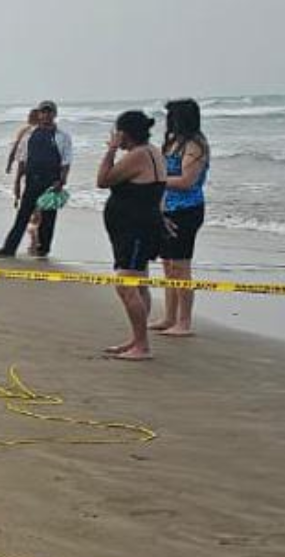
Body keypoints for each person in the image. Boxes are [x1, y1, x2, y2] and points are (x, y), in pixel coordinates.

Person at [97, 111, 168, 362]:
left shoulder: (139, 155)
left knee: (126, 285)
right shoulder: (152, 151)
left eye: (118, 132)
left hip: (136, 229)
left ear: (124, 133)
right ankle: (136, 339)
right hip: (136, 226)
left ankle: (142, 346)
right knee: (138, 283)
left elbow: (103, 180)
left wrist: (111, 150)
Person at [154, 99, 210, 338]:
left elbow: (187, 181)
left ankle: (184, 321)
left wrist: (156, 180)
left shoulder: (195, 145)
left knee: (181, 265)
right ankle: (169, 316)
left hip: (187, 209)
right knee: (167, 265)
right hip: (166, 207)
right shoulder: (172, 143)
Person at [0, 100, 73, 258]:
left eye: (49, 112)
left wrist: (61, 181)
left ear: (54, 114)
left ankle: (43, 250)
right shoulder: (29, 135)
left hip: (51, 182)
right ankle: (9, 249)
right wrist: (17, 181)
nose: (46, 115)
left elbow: (66, 161)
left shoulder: (62, 136)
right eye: (43, 112)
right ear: (39, 114)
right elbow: (22, 159)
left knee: (48, 219)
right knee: (22, 216)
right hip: (32, 180)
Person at [5, 108, 43, 252]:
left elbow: (15, 149)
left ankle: (34, 235)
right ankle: (35, 236)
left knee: (31, 203)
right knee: (37, 207)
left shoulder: (27, 131)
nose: (28, 117)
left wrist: (9, 164)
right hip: (34, 170)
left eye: (30, 115)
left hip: (28, 169)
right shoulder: (35, 130)